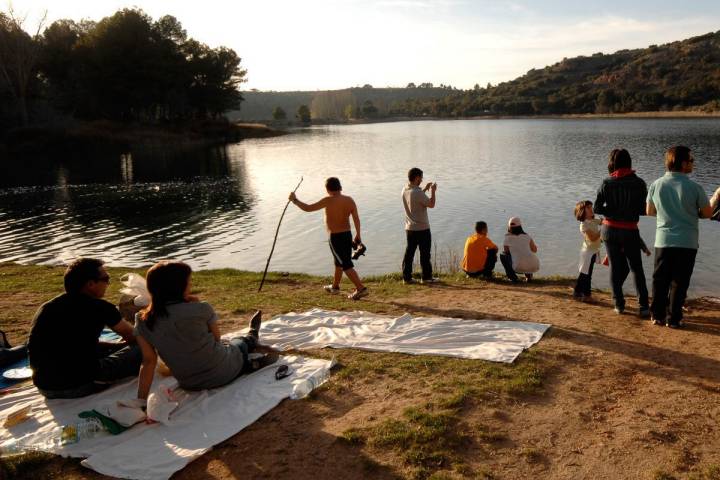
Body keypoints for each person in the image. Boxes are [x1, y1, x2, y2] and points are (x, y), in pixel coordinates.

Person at [135, 261, 269, 399]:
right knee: (239, 343)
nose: (191, 285)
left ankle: (247, 355)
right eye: (188, 281)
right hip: (224, 372)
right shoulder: (201, 308)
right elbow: (217, 338)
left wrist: (141, 400)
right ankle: (252, 336)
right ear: (180, 286)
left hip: (189, 383)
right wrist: (195, 305)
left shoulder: (142, 320)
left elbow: (148, 362)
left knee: (229, 348)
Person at [28, 258, 141, 399]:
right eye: (106, 278)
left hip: (45, 387)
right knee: (145, 347)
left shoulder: (47, 308)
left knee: (116, 349)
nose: (108, 283)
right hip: (81, 385)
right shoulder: (100, 307)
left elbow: (68, 345)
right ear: (90, 284)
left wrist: (117, 346)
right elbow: (135, 336)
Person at [646, 146, 714, 328]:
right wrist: (716, 196)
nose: (693, 164)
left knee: (660, 280)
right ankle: (674, 319)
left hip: (663, 240)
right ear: (683, 164)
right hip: (687, 242)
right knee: (679, 282)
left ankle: (657, 316)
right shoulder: (695, 187)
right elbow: (707, 213)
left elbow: (650, 212)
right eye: (691, 161)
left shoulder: (656, 184)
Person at [289, 177, 368, 300]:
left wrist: (295, 200)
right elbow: (356, 218)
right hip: (348, 235)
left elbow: (308, 208)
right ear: (340, 187)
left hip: (335, 238)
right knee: (339, 262)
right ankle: (335, 287)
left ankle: (360, 288)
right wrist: (358, 234)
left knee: (345, 264)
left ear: (327, 189)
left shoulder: (328, 200)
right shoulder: (349, 200)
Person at [594, 148, 649, 316]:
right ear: (629, 162)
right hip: (630, 230)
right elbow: (644, 210)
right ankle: (644, 307)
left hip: (609, 230)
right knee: (636, 268)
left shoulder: (606, 182)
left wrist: (612, 211)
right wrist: (629, 211)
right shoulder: (639, 183)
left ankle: (619, 304)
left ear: (612, 164)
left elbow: (597, 208)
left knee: (615, 267)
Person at [402, 167, 438, 284]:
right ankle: (426, 277)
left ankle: (406, 277)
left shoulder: (405, 190)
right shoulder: (417, 192)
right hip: (422, 228)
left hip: (410, 228)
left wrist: (425, 189)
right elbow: (431, 204)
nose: (422, 180)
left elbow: (415, 198)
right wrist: (433, 190)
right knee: (425, 254)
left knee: (409, 253)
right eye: (421, 178)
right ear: (417, 177)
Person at [573, 201, 602, 300]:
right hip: (587, 252)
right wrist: (603, 231)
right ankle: (586, 295)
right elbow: (593, 238)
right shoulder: (584, 225)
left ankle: (577, 292)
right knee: (586, 274)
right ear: (582, 212)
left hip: (594, 250)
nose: (591, 209)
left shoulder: (594, 219)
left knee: (585, 273)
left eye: (591, 207)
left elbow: (603, 221)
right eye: (588, 208)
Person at [499, 217, 539, 283]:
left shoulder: (507, 238)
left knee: (503, 255)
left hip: (518, 268)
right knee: (526, 253)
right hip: (534, 266)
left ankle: (513, 278)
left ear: (509, 227)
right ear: (520, 226)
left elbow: (506, 252)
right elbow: (535, 250)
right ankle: (528, 277)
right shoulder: (527, 236)